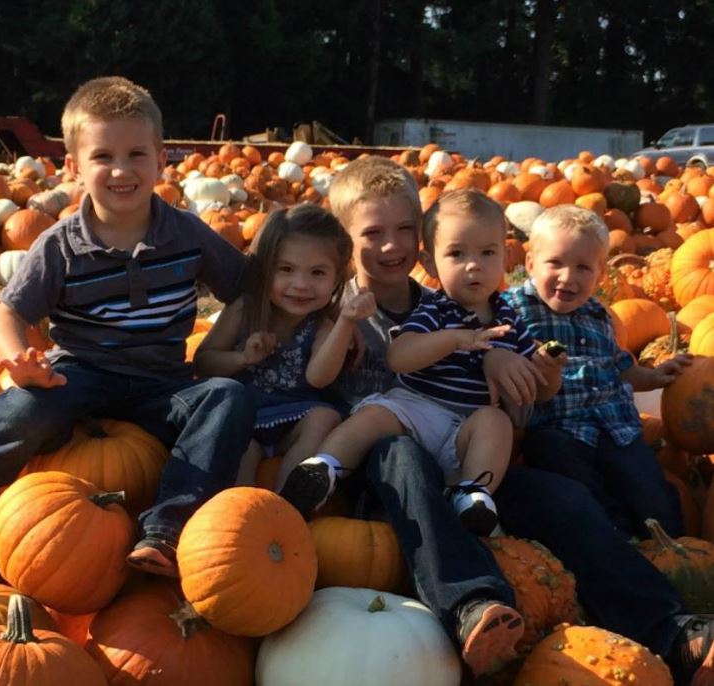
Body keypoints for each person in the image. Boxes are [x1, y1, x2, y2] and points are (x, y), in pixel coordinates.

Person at [0, 76, 254, 579]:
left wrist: (236, 342)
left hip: (162, 386)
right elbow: (9, 313)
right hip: (80, 375)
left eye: (136, 154)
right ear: (73, 167)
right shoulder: (59, 245)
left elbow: (246, 286)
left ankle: (166, 530)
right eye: (103, 157)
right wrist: (16, 358)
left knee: (227, 397)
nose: (121, 170)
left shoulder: (187, 233)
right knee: (25, 404)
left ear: (162, 158)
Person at [306, 158, 528, 676]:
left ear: (423, 238)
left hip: (455, 450)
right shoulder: (334, 308)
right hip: (372, 461)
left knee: (559, 494)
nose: (392, 246)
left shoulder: (445, 301)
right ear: (344, 239)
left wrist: (496, 355)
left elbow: (489, 366)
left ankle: (669, 615)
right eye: (374, 233)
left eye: (405, 229)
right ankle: (469, 603)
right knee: (398, 451)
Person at [281, 189, 562, 537]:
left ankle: (472, 493)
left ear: (506, 257)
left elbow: (538, 392)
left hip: (466, 426)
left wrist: (548, 371)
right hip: (415, 409)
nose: (473, 265)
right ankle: (324, 468)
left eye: (487, 253)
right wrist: (455, 338)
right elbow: (399, 356)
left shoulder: (510, 319)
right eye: (457, 254)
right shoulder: (435, 309)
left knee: (497, 423)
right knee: (373, 417)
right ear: (430, 264)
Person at [502, 204, 687, 539]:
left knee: (650, 487)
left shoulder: (599, 314)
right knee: (563, 467)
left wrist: (655, 376)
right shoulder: (512, 310)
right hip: (557, 427)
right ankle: (611, 532)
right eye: (555, 263)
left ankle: (675, 551)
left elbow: (620, 368)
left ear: (600, 275)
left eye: (583, 268)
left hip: (615, 426)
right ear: (530, 263)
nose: (568, 277)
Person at [194, 205, 371, 490]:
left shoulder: (323, 325)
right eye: (286, 269)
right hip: (245, 418)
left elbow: (318, 377)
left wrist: (346, 322)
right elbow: (203, 362)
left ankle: (289, 499)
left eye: (317, 273)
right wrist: (243, 357)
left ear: (337, 279)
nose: (300, 284)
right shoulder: (245, 310)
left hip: (295, 420)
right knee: (240, 451)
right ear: (265, 270)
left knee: (325, 417)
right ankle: (245, 510)